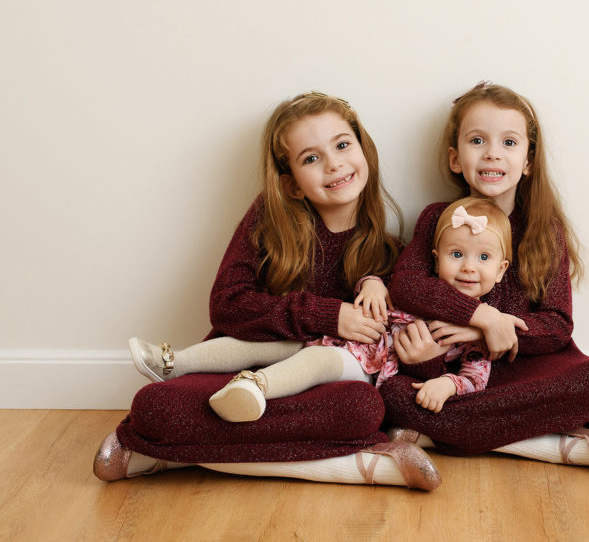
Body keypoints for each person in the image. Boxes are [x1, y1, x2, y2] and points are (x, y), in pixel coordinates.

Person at [93, 91, 441, 490]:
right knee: (156, 406)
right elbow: (226, 307)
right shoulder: (269, 219)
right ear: (291, 183)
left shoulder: (391, 251)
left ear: (364, 150)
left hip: (321, 386)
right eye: (311, 158)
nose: (334, 164)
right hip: (245, 362)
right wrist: (329, 315)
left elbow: (394, 350)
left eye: (343, 145)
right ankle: (356, 462)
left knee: (363, 407)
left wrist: (426, 360)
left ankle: (168, 456)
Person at [381, 82, 589, 473]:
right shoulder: (436, 218)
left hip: (519, 370)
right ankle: (546, 443)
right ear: (455, 158)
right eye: (478, 140)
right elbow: (407, 286)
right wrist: (483, 317)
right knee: (390, 394)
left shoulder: (545, 230)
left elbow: (558, 326)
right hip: (452, 371)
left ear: (528, 161)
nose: (493, 152)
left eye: (509, 143)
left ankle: (440, 430)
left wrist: (488, 334)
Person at [207, 196, 512, 422]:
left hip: (367, 364)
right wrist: (372, 283)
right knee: (266, 346)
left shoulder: (478, 332)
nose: (468, 267)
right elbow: (389, 284)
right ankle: (171, 361)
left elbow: (475, 377)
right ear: (436, 259)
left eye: (483, 258)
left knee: (316, 360)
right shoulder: (422, 288)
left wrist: (446, 383)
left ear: (501, 270)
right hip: (344, 333)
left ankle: (255, 387)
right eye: (457, 254)